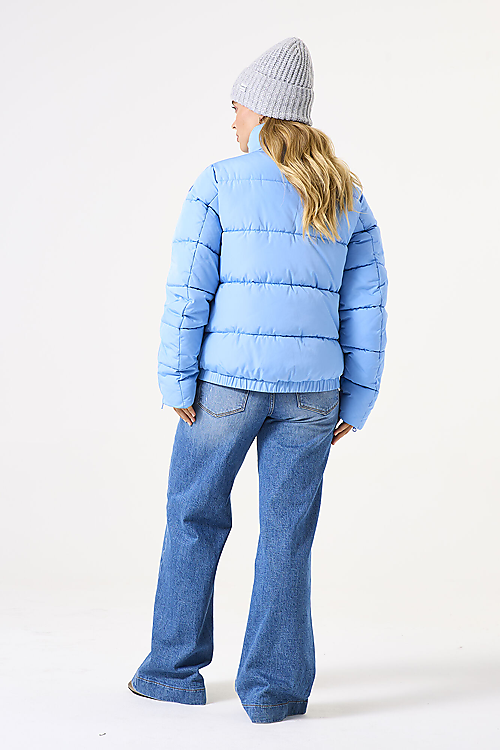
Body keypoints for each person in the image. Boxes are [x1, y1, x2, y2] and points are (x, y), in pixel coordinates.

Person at [128, 37, 388, 724]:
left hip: (224, 386)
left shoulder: (218, 182)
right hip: (313, 395)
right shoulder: (345, 192)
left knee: (193, 516)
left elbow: (188, 290)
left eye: (238, 109)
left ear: (265, 113)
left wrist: (177, 380)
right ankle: (274, 692)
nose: (233, 122)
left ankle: (170, 673)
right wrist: (358, 398)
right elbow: (366, 307)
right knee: (287, 537)